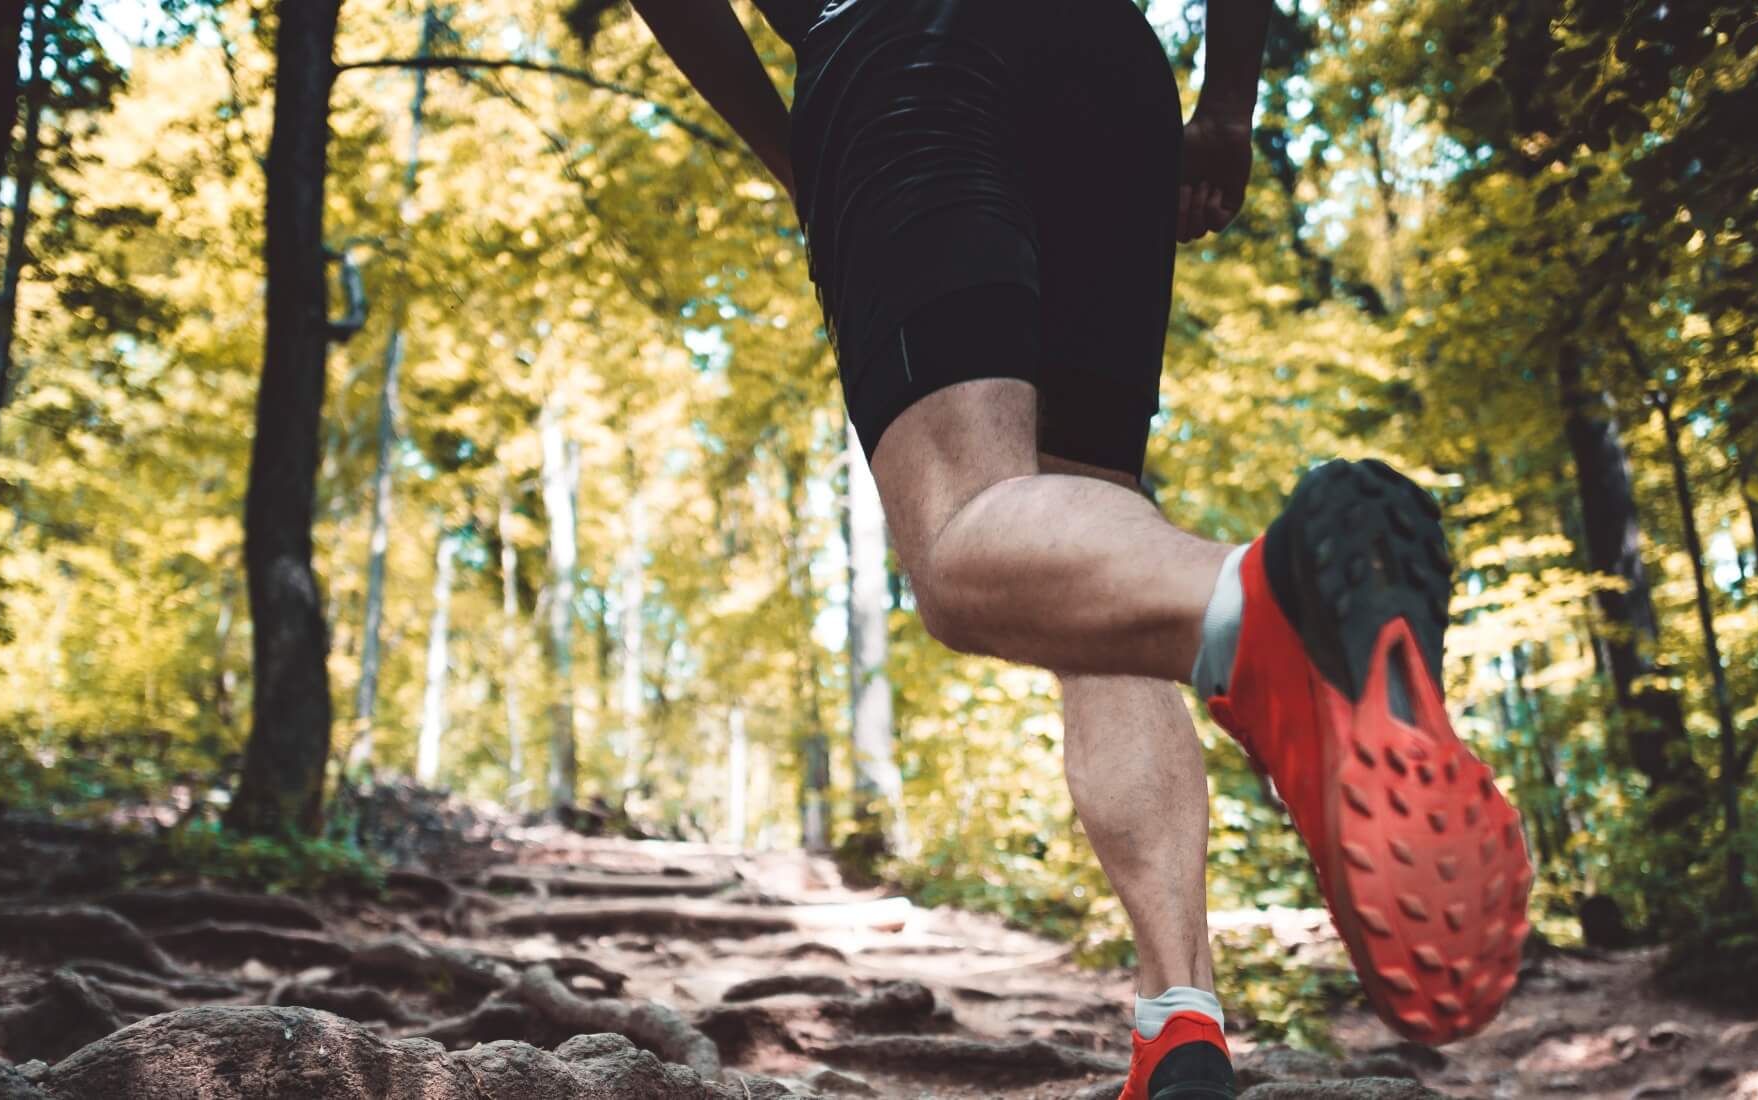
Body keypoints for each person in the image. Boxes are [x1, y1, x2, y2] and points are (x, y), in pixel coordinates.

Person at [625, 0, 1531, 1094]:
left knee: (965, 540)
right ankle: (1178, 1019)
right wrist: (1229, 106)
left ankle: (1263, 604)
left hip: (903, 50)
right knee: (1095, 559)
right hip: (1108, 68)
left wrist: (793, 145)